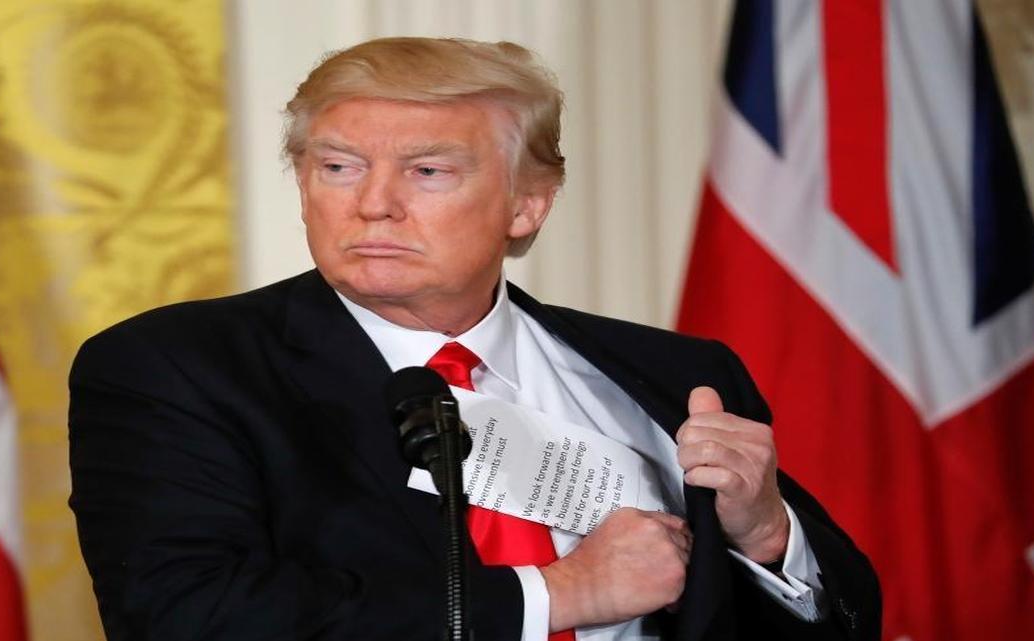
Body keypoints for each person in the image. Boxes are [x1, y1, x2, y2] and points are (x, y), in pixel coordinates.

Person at [69, 37, 880, 641]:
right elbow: (183, 616)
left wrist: (767, 537)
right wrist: (557, 594)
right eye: (339, 166)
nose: (374, 204)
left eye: (428, 172)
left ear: (527, 205)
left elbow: (843, 621)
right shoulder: (173, 369)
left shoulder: (681, 374)